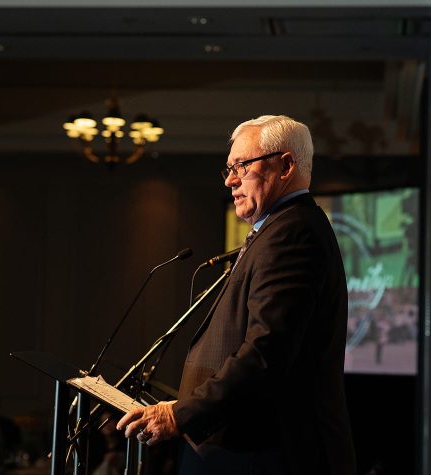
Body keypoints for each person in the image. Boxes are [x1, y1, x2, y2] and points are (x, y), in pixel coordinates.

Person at [117, 115, 356, 474]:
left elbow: (265, 353)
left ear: (286, 165)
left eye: (241, 166)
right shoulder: (282, 229)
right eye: (228, 169)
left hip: (264, 454)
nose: (230, 180)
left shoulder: (292, 235)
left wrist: (179, 414)